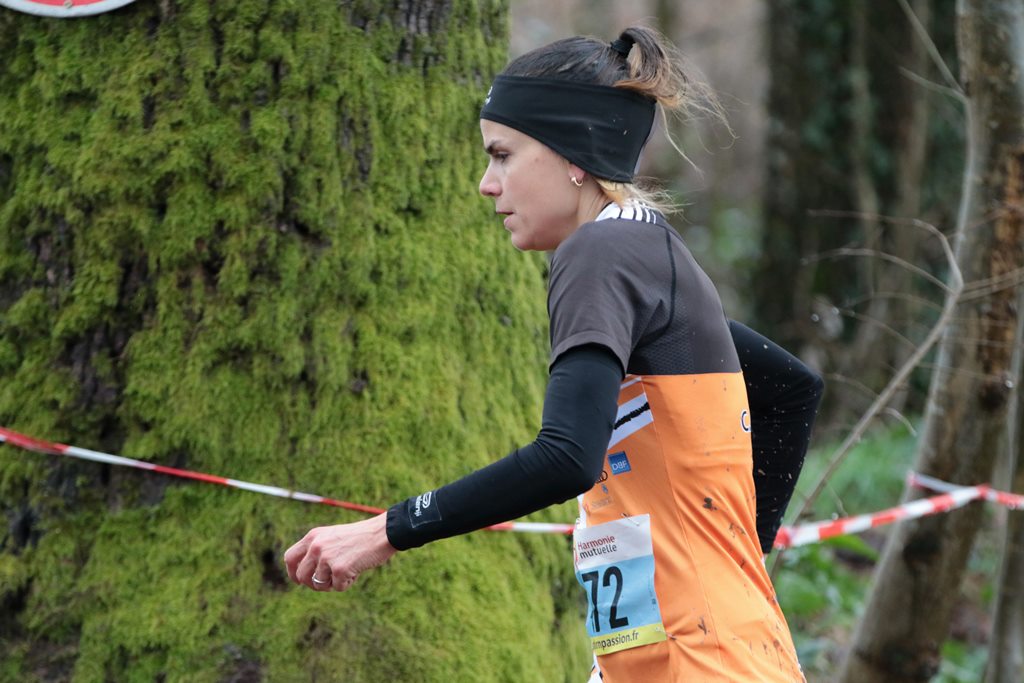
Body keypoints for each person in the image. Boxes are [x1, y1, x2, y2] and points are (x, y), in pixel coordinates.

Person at [285, 26, 823, 682]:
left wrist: (385, 531)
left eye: (503, 155)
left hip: (702, 660)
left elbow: (566, 456)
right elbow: (790, 387)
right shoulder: (648, 256)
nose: (488, 183)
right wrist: (732, 558)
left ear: (572, 154)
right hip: (697, 653)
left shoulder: (596, 253)